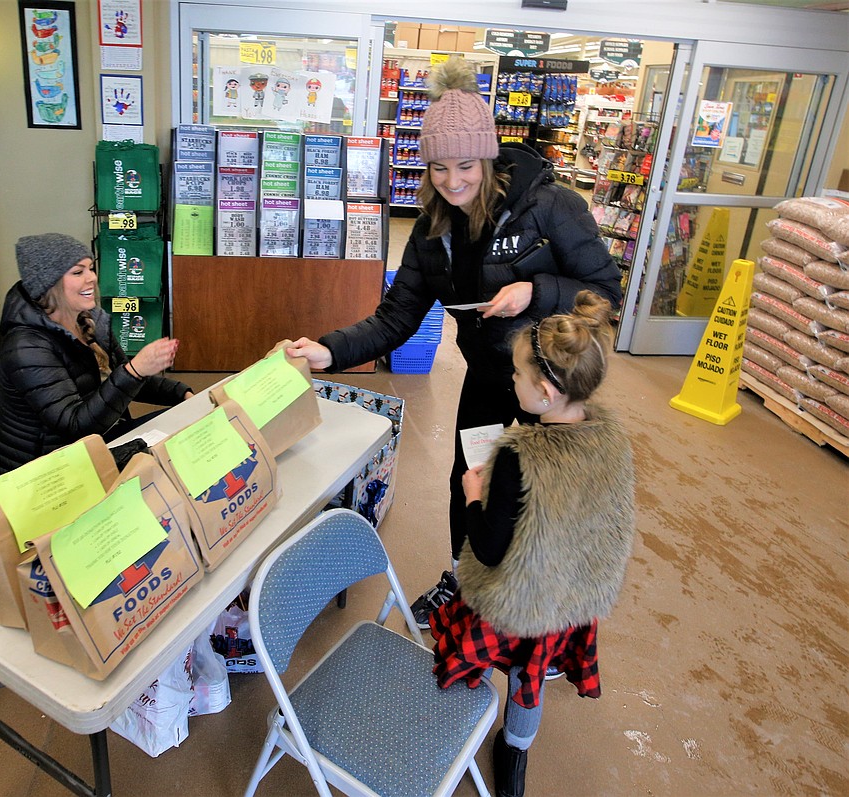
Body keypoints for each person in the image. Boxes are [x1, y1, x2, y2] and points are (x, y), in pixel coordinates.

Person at [286, 57, 622, 626]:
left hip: (553, 386)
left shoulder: (550, 207)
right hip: (492, 378)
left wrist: (534, 291)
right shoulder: (430, 232)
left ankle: (551, 618)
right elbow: (395, 318)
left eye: (465, 164)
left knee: (547, 502)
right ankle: (465, 582)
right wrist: (328, 351)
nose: (453, 180)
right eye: (438, 167)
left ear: (487, 157)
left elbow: (606, 289)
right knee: (470, 483)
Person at [428, 291, 635, 797]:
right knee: (531, 674)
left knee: (467, 650)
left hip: (516, 599)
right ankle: (515, 751)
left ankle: (452, 728)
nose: (511, 380)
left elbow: (492, 549)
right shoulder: (610, 438)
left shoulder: (519, 458)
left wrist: (475, 494)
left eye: (517, 374)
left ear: (543, 390)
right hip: (571, 596)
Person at [0, 233, 192, 480]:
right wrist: (134, 371)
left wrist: (183, 394)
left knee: (186, 426)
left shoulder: (88, 321)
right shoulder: (26, 348)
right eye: (77, 272)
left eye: (91, 268)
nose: (92, 278)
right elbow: (75, 426)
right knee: (174, 458)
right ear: (49, 284)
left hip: (91, 444)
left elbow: (122, 378)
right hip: (45, 474)